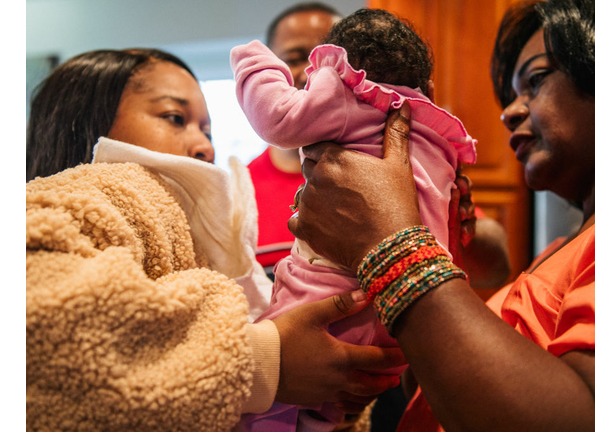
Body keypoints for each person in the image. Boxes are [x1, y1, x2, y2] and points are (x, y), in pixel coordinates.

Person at [288, 0, 595, 430]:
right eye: (511, 96)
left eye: (536, 81)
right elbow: (444, 399)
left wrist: (396, 248)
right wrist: (439, 260)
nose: (509, 112)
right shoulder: (560, 249)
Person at [25, 48, 405, 431]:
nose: (205, 147)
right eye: (175, 118)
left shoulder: (202, 234)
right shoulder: (101, 194)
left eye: (207, 131)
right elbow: (38, 319)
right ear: (85, 121)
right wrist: (265, 361)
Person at [232, 8, 477, 431]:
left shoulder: (346, 98)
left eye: (317, 59)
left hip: (339, 310)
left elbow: (275, 115)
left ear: (340, 67)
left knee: (269, 407)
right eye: (294, 57)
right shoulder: (434, 134)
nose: (307, 74)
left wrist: (253, 62)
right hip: (404, 315)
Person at [246, 2, 342, 279]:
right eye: (295, 58)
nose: (312, 73)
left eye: (329, 59)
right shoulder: (237, 194)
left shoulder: (386, 175)